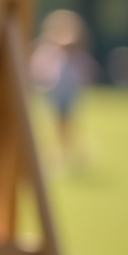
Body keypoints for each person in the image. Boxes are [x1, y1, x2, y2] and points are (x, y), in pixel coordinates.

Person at [30, 9, 96, 162]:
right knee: (57, 122)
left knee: (67, 122)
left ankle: (70, 150)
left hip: (70, 94)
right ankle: (62, 150)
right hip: (54, 93)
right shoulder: (48, 52)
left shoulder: (77, 55)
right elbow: (38, 68)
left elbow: (88, 71)